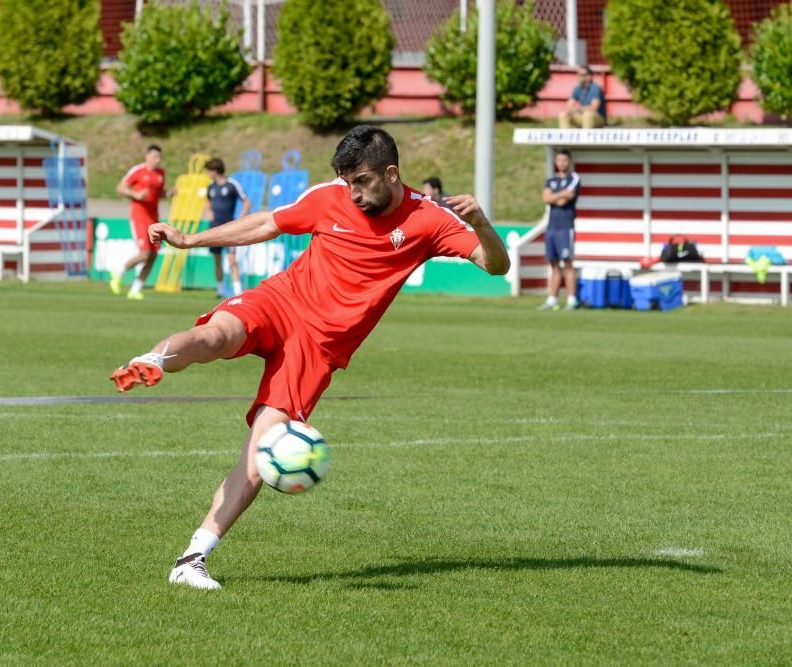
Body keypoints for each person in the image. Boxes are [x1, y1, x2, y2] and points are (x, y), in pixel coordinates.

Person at [108, 125, 510, 589]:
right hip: (281, 301)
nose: (352, 193)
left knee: (262, 452)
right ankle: (153, 361)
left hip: (318, 349)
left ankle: (191, 559)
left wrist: (481, 221)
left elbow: (496, 265)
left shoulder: (430, 219)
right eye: (346, 182)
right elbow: (265, 223)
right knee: (217, 335)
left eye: (361, 181)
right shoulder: (329, 197)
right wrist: (190, 240)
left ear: (392, 173)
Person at [111, 144, 169, 300]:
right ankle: (118, 272)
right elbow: (120, 188)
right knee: (144, 254)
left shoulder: (160, 173)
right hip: (139, 217)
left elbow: (159, 193)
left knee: (153, 255)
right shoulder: (138, 171)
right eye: (155, 156)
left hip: (154, 218)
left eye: (159, 157)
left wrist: (169, 193)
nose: (158, 160)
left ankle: (135, 289)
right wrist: (135, 195)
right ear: (147, 156)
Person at [203, 158, 251, 298]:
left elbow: (246, 202)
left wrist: (241, 218)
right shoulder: (211, 187)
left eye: (208, 170)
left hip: (230, 228)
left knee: (231, 260)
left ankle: (237, 291)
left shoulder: (232, 184)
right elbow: (207, 202)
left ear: (215, 170)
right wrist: (208, 213)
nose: (207, 173)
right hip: (214, 228)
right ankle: (220, 289)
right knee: (217, 259)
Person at [539, 149, 580, 311]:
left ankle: (571, 300)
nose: (562, 163)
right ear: (555, 162)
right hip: (552, 227)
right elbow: (545, 198)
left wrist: (555, 197)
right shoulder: (551, 181)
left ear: (569, 161)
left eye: (564, 160)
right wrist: (560, 195)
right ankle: (552, 299)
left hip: (565, 227)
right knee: (554, 264)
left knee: (567, 263)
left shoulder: (574, 179)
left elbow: (563, 201)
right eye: (559, 160)